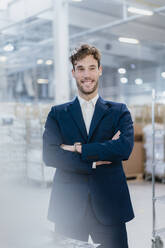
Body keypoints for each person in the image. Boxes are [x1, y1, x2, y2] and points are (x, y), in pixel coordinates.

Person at [43, 44, 134, 248]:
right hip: (69, 206)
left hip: (110, 206)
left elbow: (124, 149)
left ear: (100, 70)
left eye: (92, 68)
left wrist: (78, 148)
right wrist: (94, 161)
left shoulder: (119, 111)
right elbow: (50, 155)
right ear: (73, 73)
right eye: (81, 68)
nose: (87, 74)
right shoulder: (57, 114)